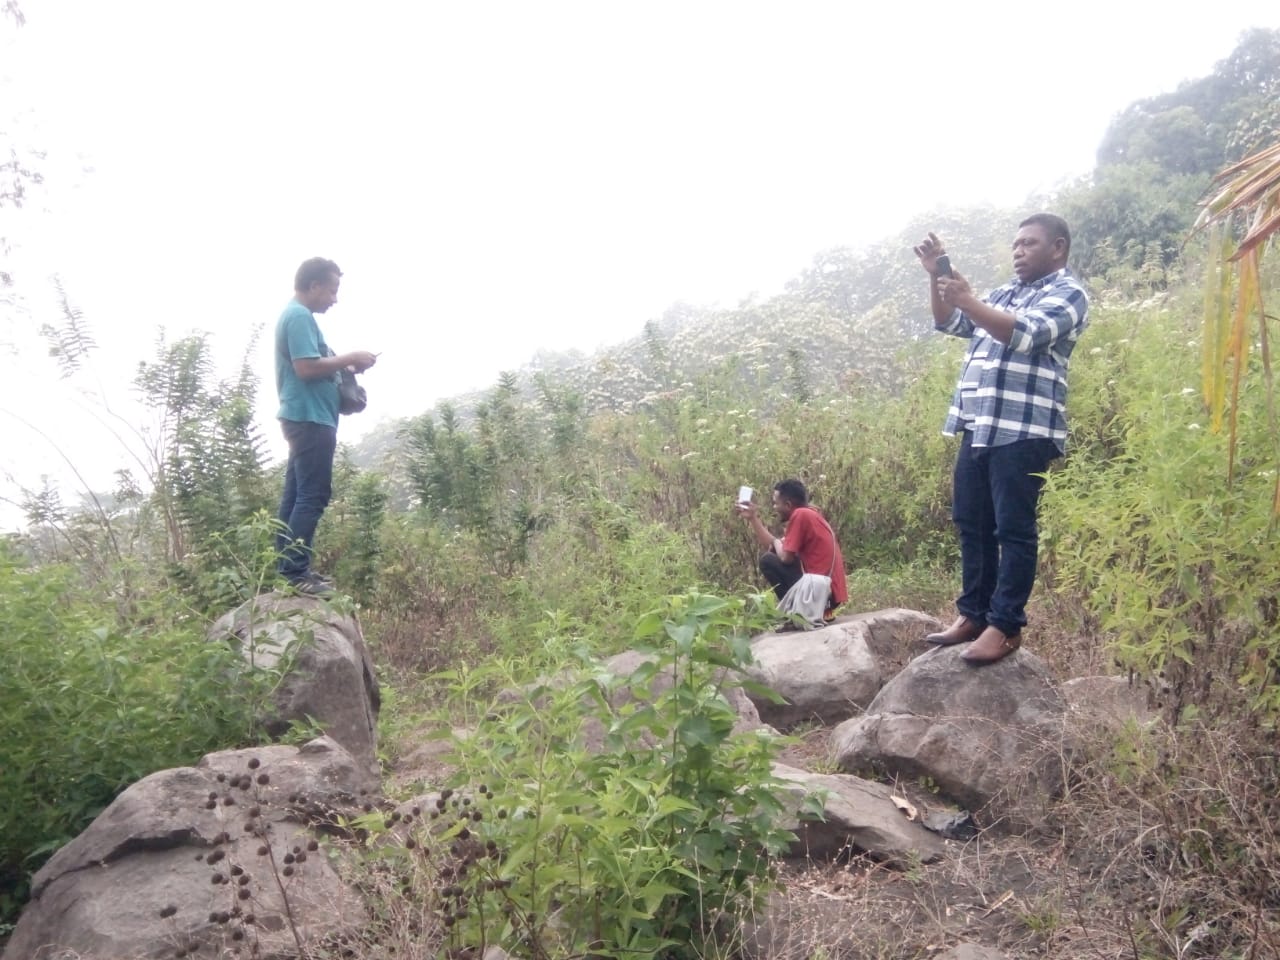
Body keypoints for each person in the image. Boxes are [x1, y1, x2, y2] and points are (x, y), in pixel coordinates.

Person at [913, 214, 1089, 664]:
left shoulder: (1068, 293)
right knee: (971, 522)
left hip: (1024, 430)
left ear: (1058, 247)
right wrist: (939, 279)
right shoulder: (1004, 293)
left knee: (1012, 528)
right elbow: (951, 323)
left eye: (1029, 243)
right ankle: (973, 615)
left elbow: (1025, 334)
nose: (1018, 251)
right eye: (1016, 244)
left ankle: (1006, 625)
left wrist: (968, 299)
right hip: (979, 425)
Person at [274, 257, 378, 595]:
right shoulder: (299, 317)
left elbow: (314, 365)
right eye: (331, 290)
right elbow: (305, 368)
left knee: (295, 495)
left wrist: (347, 369)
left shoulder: (297, 316)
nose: (334, 299)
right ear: (314, 285)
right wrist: (350, 357)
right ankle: (294, 573)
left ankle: (286, 568)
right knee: (312, 495)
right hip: (310, 418)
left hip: (306, 416)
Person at [736, 479, 848, 627]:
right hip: (826, 592)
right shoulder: (810, 514)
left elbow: (785, 558)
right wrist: (753, 518)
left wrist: (777, 543)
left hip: (823, 593)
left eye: (776, 503)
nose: (774, 508)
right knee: (773, 555)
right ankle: (804, 612)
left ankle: (795, 615)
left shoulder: (800, 515)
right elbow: (773, 545)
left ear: (788, 505)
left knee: (767, 561)